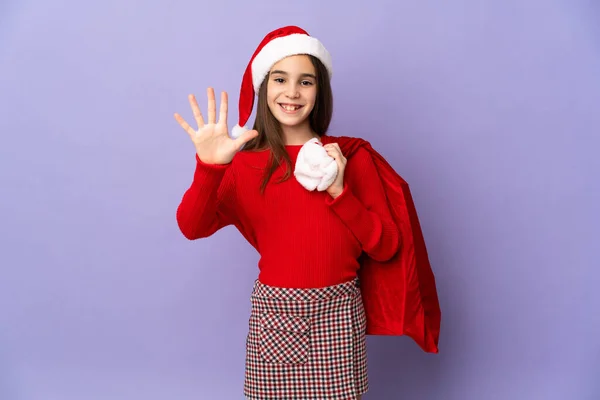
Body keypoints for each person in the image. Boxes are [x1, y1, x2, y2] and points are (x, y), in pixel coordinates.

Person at [174, 26, 441, 400]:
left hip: (338, 315)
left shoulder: (351, 157)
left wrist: (340, 192)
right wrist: (208, 166)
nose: (292, 92)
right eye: (280, 79)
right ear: (264, 87)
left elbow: (386, 247)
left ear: (321, 91)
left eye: (306, 81)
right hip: (276, 315)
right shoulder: (243, 165)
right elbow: (191, 226)